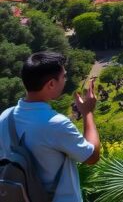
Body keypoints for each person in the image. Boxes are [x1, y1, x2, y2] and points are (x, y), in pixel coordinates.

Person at [0, 51, 101, 202]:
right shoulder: (56, 124)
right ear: (51, 84)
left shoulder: (5, 117)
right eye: (64, 76)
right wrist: (87, 113)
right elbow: (91, 157)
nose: (65, 80)